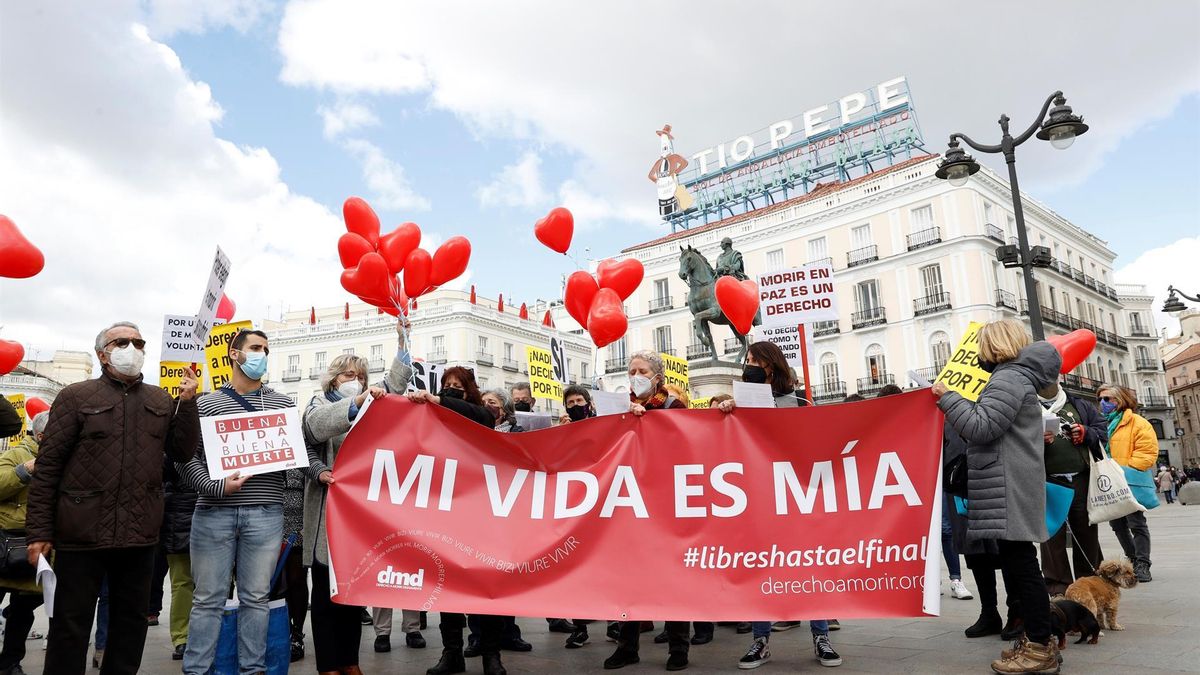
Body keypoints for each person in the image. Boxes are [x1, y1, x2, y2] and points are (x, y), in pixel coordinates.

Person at [26, 321, 200, 675]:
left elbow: (182, 452)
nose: (132, 348)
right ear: (102, 353)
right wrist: (39, 532)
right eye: (122, 342)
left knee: (130, 625)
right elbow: (48, 469)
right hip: (81, 532)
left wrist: (188, 403)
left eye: (138, 342)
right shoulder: (76, 396)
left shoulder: (160, 399)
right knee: (70, 625)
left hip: (139, 534)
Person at [932, 319, 1061, 673]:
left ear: (995, 344)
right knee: (1021, 565)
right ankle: (1038, 642)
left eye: (981, 344)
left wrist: (948, 397)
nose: (978, 352)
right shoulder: (1015, 378)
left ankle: (1039, 648)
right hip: (1010, 482)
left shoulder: (1006, 378)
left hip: (1007, 485)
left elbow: (981, 427)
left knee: (1023, 568)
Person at [302, 322, 424, 673]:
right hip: (328, 512)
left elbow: (395, 383)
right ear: (333, 379)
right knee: (326, 595)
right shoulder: (317, 402)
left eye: (359, 375)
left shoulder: (374, 400)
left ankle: (350, 661)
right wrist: (319, 472)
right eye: (347, 375)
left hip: (361, 515)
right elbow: (315, 430)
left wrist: (403, 343)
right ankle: (328, 664)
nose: (353, 379)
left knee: (354, 594)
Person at [716, 344, 841, 670]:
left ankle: (821, 635)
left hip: (795, 497)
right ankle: (760, 640)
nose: (750, 365)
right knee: (761, 568)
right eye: (747, 361)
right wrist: (729, 414)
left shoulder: (797, 402)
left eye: (755, 360)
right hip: (758, 500)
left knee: (808, 566)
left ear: (772, 365)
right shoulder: (741, 403)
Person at [178, 328, 294, 675]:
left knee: (255, 598)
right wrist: (217, 487)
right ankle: (196, 669)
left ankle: (253, 669)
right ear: (234, 354)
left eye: (266, 349)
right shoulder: (205, 403)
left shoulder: (283, 404)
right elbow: (184, 458)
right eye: (255, 348)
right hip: (214, 512)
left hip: (266, 513)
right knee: (207, 599)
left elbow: (294, 457)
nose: (262, 354)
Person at [408, 366, 509, 675]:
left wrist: (438, 399)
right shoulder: (432, 417)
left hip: (479, 511)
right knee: (446, 583)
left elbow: (482, 417)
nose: (450, 390)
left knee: (483, 584)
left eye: (457, 386)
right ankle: (452, 653)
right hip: (445, 510)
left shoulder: (480, 413)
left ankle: (491, 654)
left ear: (469, 391)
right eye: (446, 385)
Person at [606, 352, 690, 671]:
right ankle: (627, 647)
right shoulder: (617, 406)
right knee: (628, 579)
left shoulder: (673, 406)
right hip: (630, 503)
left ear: (658, 377)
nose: (635, 375)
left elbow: (686, 444)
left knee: (674, 577)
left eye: (642, 371)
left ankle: (678, 648)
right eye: (631, 371)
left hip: (667, 503)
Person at [1037, 379, 1107, 597]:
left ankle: (1091, 586)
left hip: (1080, 479)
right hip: (1046, 481)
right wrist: (1035, 439)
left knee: (1086, 532)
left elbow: (1101, 430)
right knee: (1051, 537)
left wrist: (1085, 432)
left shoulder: (1077, 404)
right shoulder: (1026, 406)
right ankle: (1058, 590)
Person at [0, 412, 49, 675]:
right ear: (41, 436)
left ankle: (10, 663)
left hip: (35, 545)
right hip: (6, 543)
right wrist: (25, 470)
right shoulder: (16, 454)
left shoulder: (62, 460)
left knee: (24, 609)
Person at [1097, 385, 1159, 583]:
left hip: (1129, 480)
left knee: (1136, 522)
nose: (1102, 403)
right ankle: (1131, 557)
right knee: (1117, 523)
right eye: (1100, 399)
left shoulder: (1137, 423)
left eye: (1107, 399)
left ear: (1120, 400)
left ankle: (1143, 563)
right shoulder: (1100, 423)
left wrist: (1125, 471)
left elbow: (1147, 452)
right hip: (1109, 482)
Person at [160, 455, 197, 661]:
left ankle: (206, 632)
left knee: (218, 581)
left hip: (192, 507)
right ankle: (182, 636)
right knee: (182, 580)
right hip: (180, 510)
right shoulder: (175, 432)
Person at [281, 469, 308, 662]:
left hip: (299, 525)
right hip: (270, 522)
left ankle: (296, 634)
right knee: (276, 585)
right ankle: (281, 631)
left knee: (297, 580)